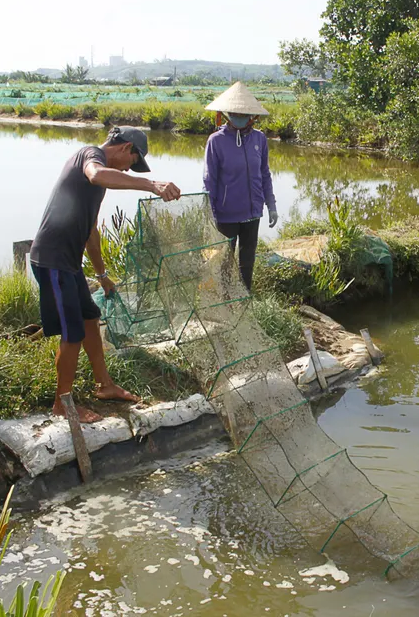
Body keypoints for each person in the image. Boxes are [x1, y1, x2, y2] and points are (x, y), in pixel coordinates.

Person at [29, 126, 182, 423]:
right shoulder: (90, 156)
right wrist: (151, 184)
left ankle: (105, 386)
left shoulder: (98, 182)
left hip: (69, 263)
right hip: (51, 259)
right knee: (72, 333)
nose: (129, 168)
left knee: (90, 316)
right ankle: (63, 404)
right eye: (132, 162)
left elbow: (91, 231)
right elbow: (97, 173)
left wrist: (102, 275)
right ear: (125, 148)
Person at [202, 82, 278, 291]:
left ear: (252, 117)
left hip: (253, 212)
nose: (239, 116)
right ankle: (225, 300)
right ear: (227, 115)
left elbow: (264, 173)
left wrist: (270, 205)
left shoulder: (259, 139)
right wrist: (210, 211)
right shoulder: (216, 141)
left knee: (247, 261)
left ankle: (245, 298)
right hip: (226, 214)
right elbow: (210, 179)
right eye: (234, 113)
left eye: (243, 113)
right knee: (225, 260)